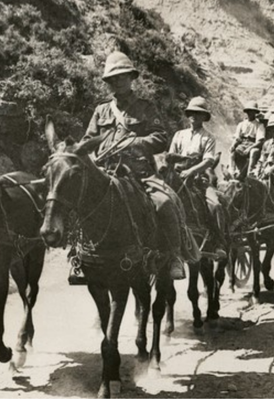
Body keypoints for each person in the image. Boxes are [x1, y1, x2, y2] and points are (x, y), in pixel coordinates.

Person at [82, 51, 198, 279]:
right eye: (113, 79)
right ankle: (81, 256)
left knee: (165, 202)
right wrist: (89, 153)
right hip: (107, 174)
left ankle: (174, 254)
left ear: (131, 78)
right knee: (80, 201)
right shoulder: (101, 111)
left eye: (122, 77)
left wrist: (134, 143)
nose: (117, 82)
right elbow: (88, 140)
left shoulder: (146, 107)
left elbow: (160, 138)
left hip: (140, 174)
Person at [166, 97, 227, 259]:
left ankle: (219, 243)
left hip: (198, 180)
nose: (194, 116)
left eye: (198, 113)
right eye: (192, 113)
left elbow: (208, 161)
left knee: (215, 205)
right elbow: (170, 156)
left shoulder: (208, 137)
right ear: (188, 115)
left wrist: (191, 171)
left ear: (203, 117)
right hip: (177, 178)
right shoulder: (179, 135)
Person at [230, 102, 266, 180]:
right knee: (232, 152)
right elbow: (237, 137)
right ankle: (232, 172)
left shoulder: (259, 125)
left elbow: (260, 141)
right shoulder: (241, 124)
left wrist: (249, 148)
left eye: (252, 111)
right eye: (249, 111)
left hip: (253, 145)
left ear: (255, 113)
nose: (250, 113)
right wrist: (233, 145)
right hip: (242, 145)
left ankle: (250, 173)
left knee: (253, 152)